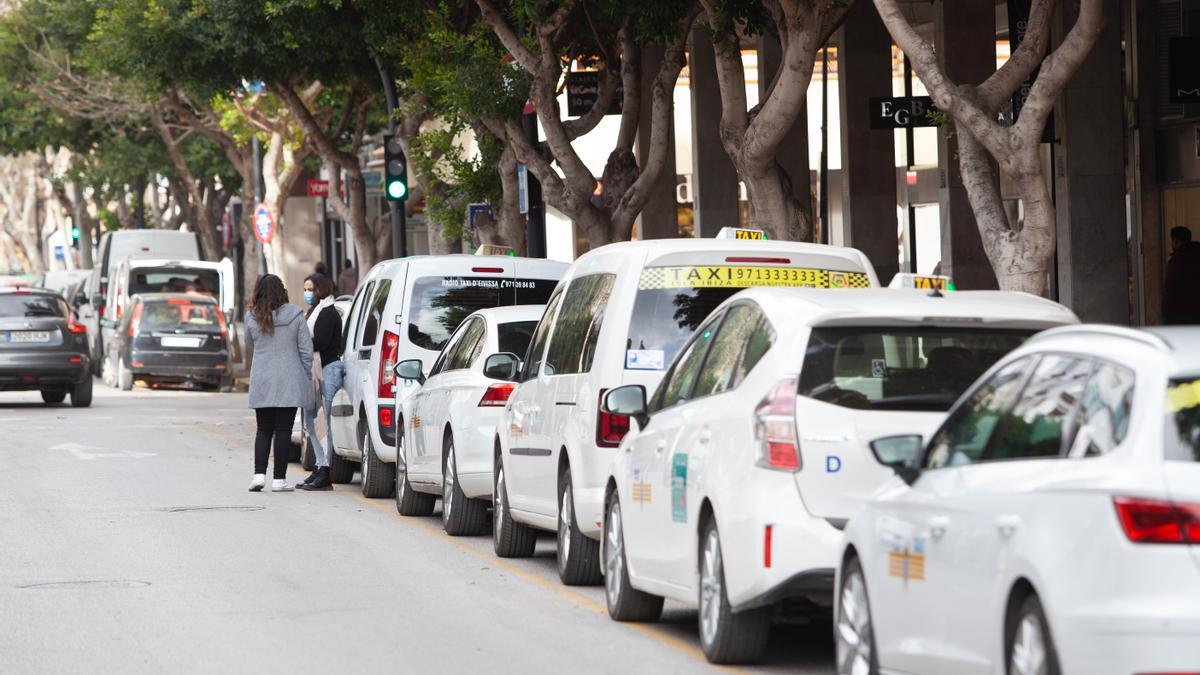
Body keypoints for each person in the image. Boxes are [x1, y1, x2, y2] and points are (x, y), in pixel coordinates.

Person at [244, 274, 313, 492]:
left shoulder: (251, 317)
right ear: (282, 290)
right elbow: (306, 351)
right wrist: (306, 373)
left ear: (259, 292)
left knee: (263, 429)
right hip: (290, 379)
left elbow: (249, 343)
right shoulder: (296, 315)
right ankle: (279, 480)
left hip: (263, 378)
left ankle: (258, 476)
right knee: (283, 430)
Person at [298, 273, 344, 491]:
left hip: (327, 370)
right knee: (311, 421)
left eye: (310, 289)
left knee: (320, 422)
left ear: (320, 289)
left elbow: (320, 343)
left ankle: (325, 472)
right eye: (305, 289)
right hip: (316, 371)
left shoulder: (327, 314)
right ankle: (318, 466)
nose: (307, 293)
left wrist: (298, 341)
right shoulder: (315, 312)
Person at [1163, 226, 1200, 325]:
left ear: (1176, 241)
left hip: (1181, 316)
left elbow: (1169, 290)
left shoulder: (1176, 261)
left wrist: (1165, 315)